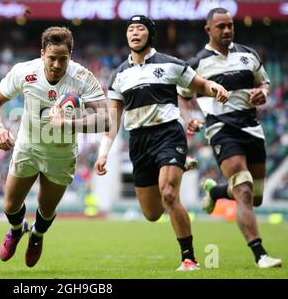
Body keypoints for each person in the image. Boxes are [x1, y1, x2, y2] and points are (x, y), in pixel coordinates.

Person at [94, 15, 229, 271]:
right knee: (152, 214)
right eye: (130, 29)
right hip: (139, 142)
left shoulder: (171, 64)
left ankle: (189, 257)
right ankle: (176, 163)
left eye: (140, 28)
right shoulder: (118, 75)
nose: (134, 33)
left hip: (168, 134)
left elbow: (199, 83)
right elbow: (113, 119)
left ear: (150, 35)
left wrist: (214, 88)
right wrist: (103, 153)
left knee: (169, 194)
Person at [0, 27, 109, 267]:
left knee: (47, 208)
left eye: (63, 59)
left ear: (70, 56)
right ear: (42, 54)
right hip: (28, 145)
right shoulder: (24, 71)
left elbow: (105, 120)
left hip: (61, 153)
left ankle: (37, 236)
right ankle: (16, 228)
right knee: (10, 205)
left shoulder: (82, 77)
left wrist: (69, 123)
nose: (57, 64)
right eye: (52, 58)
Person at [178, 7, 282, 268]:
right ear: (208, 30)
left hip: (252, 128)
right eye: (221, 26)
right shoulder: (198, 63)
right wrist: (189, 116)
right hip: (221, 129)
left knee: (255, 197)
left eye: (230, 26)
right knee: (244, 188)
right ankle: (261, 255)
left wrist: (263, 93)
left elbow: (265, 83)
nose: (226, 30)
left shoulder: (248, 55)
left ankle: (217, 191)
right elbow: (182, 93)